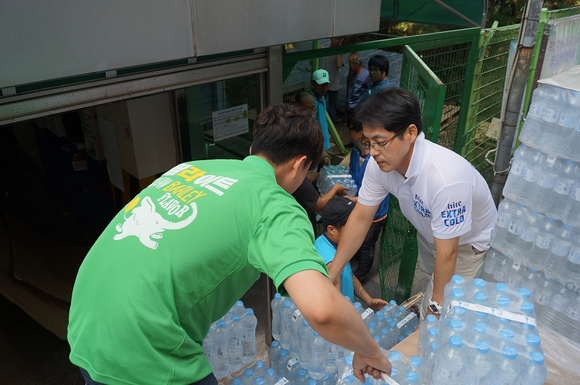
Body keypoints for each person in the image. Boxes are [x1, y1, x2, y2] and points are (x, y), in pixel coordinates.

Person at [67, 103, 391, 385]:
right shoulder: (274, 204)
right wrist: (370, 351)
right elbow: (322, 310)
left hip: (86, 321)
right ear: (298, 165)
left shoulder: (190, 168)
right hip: (141, 342)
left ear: (254, 148)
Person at [327, 88, 497, 320]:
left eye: (380, 142)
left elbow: (448, 254)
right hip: (429, 235)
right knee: (431, 275)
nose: (372, 152)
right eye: (368, 142)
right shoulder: (380, 164)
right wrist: (334, 271)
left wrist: (436, 307)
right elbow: (361, 217)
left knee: (445, 310)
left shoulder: (445, 179)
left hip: (465, 245)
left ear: (410, 132)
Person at [316, 196, 388, 311]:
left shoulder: (338, 245)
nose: (356, 230)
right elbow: (333, 310)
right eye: (350, 225)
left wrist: (369, 300)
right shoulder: (328, 261)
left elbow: (349, 275)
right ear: (331, 229)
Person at [341, 121, 390, 283]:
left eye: (351, 130)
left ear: (361, 133)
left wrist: (355, 199)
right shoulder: (355, 152)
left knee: (367, 245)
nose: (349, 133)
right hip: (358, 205)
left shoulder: (378, 161)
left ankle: (360, 276)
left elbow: (379, 192)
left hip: (375, 212)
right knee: (356, 235)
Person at [319, 37, 345, 123]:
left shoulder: (341, 54)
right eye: (333, 38)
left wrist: (337, 50)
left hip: (333, 84)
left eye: (337, 39)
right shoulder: (323, 50)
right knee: (320, 104)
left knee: (332, 107)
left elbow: (338, 65)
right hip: (322, 83)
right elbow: (312, 62)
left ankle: (332, 125)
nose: (335, 40)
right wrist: (317, 52)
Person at [345, 52, 371, 129]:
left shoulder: (366, 76)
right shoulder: (353, 75)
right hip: (350, 108)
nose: (350, 66)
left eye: (350, 64)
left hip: (359, 109)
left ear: (356, 64)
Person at [310, 69, 332, 151]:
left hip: (324, 141)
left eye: (326, 84)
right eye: (320, 85)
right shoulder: (311, 101)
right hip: (316, 144)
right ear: (313, 84)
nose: (324, 88)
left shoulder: (322, 98)